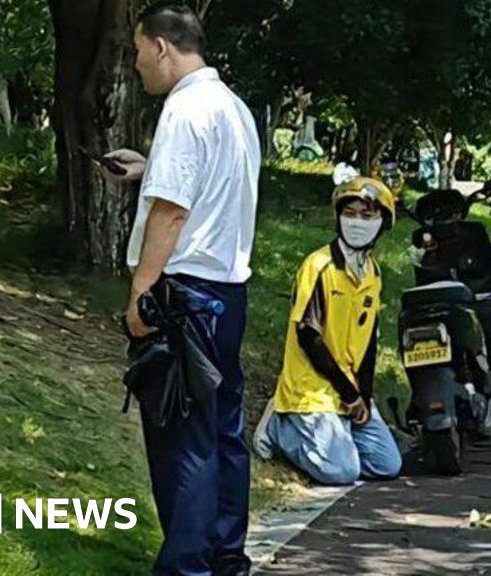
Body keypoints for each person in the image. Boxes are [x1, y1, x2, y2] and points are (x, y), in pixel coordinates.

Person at [100, 3, 260, 575]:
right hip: (228, 293)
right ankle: (225, 556)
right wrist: (151, 167)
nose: (137, 63)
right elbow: (212, 181)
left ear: (163, 47)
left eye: (139, 49)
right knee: (222, 431)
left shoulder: (185, 109)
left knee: (182, 439)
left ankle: (186, 566)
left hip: (185, 294)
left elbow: (171, 212)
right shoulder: (232, 108)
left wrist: (141, 294)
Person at [252, 176, 402, 486]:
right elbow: (309, 336)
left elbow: (369, 341)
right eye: (350, 214)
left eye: (367, 215)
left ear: (382, 222)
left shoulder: (372, 272)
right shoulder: (319, 266)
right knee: (342, 472)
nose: (357, 223)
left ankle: (337, 436)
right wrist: (349, 394)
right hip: (312, 390)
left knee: (388, 464)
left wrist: (364, 396)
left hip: (347, 390)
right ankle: (279, 427)